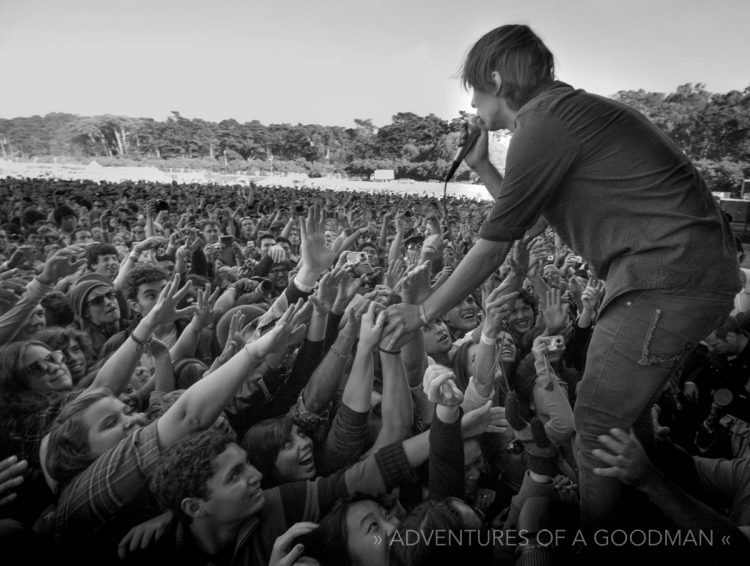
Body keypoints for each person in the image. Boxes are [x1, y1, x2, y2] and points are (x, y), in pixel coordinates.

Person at [383, 23, 740, 531]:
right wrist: (484, 167)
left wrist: (423, 310)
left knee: (594, 423)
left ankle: (603, 542)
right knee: (627, 421)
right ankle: (644, 512)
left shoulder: (542, 122)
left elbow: (494, 245)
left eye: (474, 88)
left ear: (497, 76)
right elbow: (533, 211)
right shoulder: (562, 115)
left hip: (666, 276)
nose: (473, 103)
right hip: (685, 271)